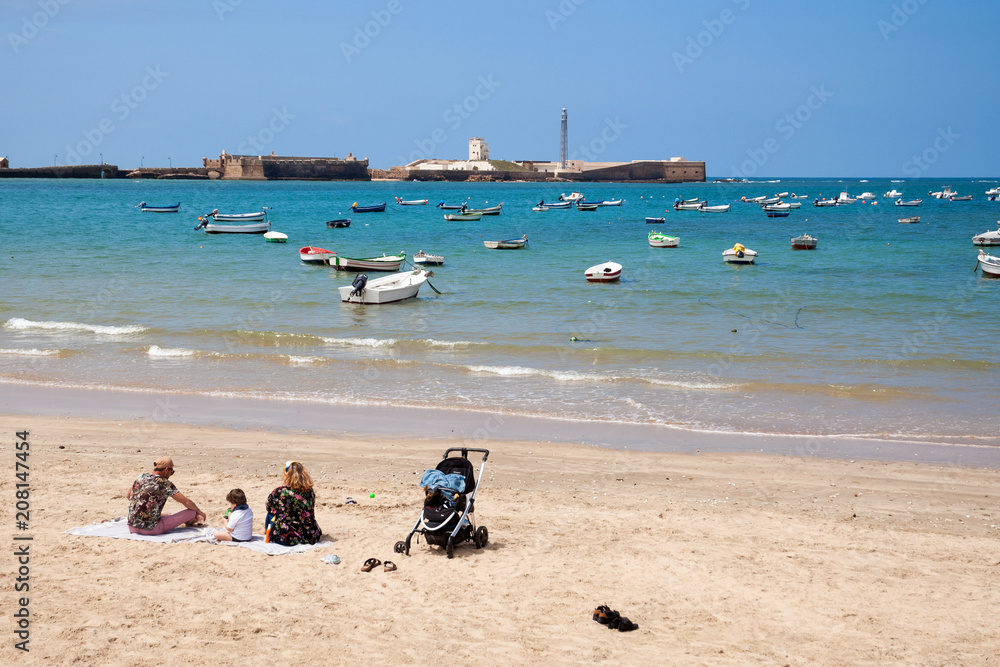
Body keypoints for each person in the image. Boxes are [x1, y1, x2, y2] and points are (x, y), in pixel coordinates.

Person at [127, 457, 205, 535]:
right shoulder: (165, 483)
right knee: (192, 512)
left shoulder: (141, 477)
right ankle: (190, 521)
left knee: (162, 514)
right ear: (166, 470)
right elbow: (186, 502)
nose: (171, 474)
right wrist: (200, 512)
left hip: (132, 527)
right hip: (152, 529)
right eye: (172, 472)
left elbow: (128, 496)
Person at [264, 460, 322, 546]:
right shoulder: (310, 491)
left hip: (287, 538)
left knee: (271, 513)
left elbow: (268, 506)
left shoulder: (280, 491)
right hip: (310, 535)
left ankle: (266, 531)